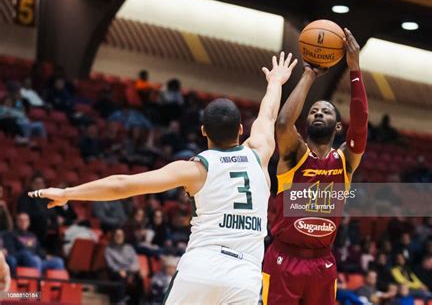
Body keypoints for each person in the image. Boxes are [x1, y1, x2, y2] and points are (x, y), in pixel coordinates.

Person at [29, 52, 298, 304]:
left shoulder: (194, 169)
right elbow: (269, 114)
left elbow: (123, 185)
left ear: (203, 131)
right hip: (244, 274)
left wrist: (67, 193)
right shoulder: (259, 152)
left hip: (201, 267)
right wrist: (275, 82)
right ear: (241, 129)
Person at [263, 29, 368, 304]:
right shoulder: (294, 154)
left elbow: (360, 126)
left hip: (323, 263)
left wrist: (354, 70)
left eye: (325, 111)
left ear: (337, 126)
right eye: (313, 110)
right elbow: (284, 123)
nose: (318, 112)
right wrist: (309, 74)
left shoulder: (345, 161)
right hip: (284, 259)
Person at [105, 228, 143, 304]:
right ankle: (121, 301)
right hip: (117, 272)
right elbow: (111, 265)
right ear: (114, 236)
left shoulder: (129, 248)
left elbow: (136, 263)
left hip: (130, 271)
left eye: (121, 235)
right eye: (117, 235)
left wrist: (127, 271)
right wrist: (120, 271)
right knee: (121, 276)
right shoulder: (109, 249)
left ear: (124, 236)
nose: (119, 237)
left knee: (140, 278)